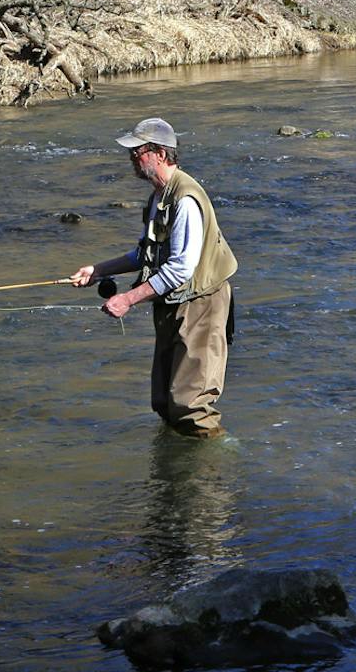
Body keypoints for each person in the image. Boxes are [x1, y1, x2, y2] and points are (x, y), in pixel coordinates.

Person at [71, 117, 239, 439]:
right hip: (173, 304)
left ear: (161, 154)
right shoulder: (157, 197)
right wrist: (98, 270)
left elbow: (179, 269)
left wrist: (127, 299)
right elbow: (144, 254)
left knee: (191, 407)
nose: (132, 157)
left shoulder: (185, 199)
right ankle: (174, 478)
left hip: (201, 305)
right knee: (164, 400)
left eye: (139, 150)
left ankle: (215, 470)